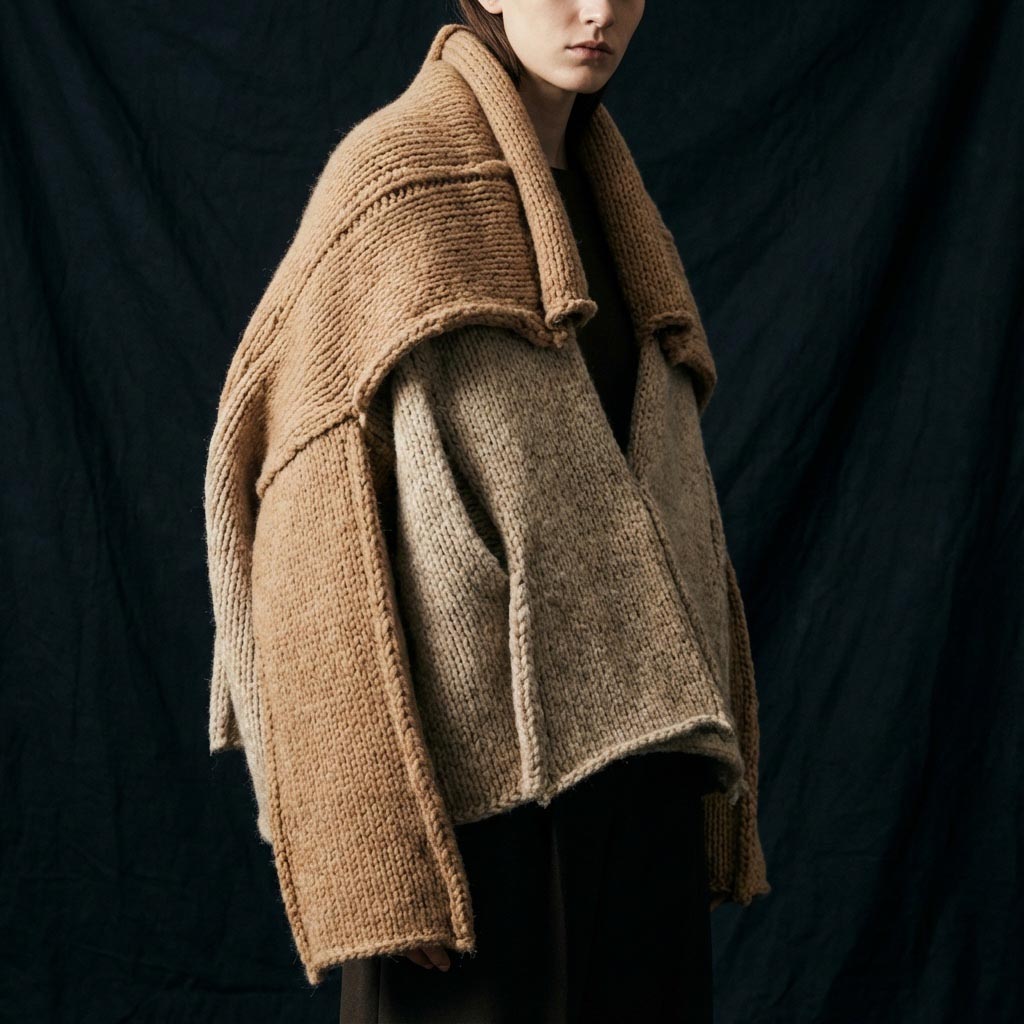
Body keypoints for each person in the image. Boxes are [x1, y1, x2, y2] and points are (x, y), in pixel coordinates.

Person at [203, 3, 770, 1021]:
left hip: (642, 809)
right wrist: (370, 843)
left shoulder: (622, 211)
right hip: (468, 838)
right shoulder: (395, 181)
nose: (598, 10)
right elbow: (300, 503)